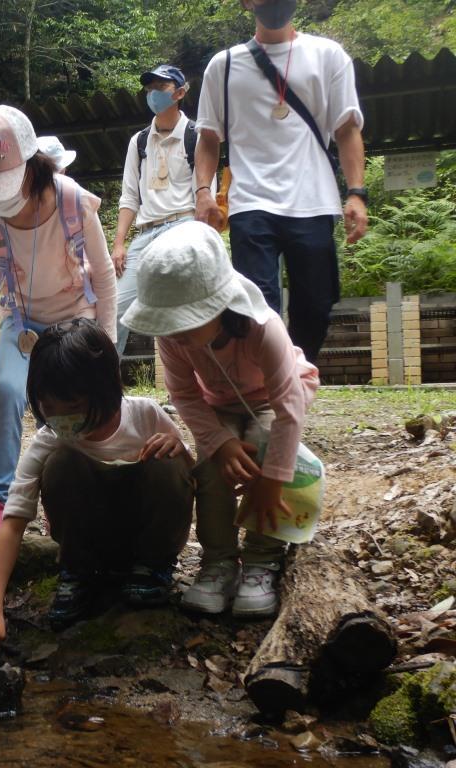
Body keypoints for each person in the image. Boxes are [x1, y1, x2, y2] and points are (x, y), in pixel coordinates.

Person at [122, 221, 319, 618]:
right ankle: (219, 561)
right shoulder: (173, 339)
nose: (174, 333)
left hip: (271, 399)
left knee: (263, 445)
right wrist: (220, 442)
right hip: (220, 403)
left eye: (185, 320)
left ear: (219, 305)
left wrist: (272, 478)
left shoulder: (263, 328)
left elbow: (288, 406)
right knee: (213, 465)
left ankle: (263, 559)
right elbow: (186, 396)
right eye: (168, 323)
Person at [0, 319, 195, 664]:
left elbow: (188, 479)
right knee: (61, 463)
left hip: (145, 539)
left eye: (72, 406)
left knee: (168, 457)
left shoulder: (145, 417)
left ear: (103, 391)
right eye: (49, 408)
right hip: (88, 547)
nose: (61, 418)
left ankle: (152, 569)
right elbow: (13, 522)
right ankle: (77, 573)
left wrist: (178, 447)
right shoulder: (51, 439)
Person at [0, 105, 118, 549]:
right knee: (7, 391)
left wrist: (108, 346)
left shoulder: (73, 201)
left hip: (76, 319)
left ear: (32, 166)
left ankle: (72, 494)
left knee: (73, 406)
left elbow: (103, 277)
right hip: (22, 322)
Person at [193, 0, 368, 364]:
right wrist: (203, 192)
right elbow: (208, 139)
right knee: (256, 308)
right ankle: (271, 391)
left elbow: (347, 129)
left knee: (316, 306)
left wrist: (356, 193)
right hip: (251, 203)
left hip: (313, 201)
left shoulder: (328, 55)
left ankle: (295, 376)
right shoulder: (223, 66)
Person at [111, 64, 204, 357]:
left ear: (179, 93)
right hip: (146, 233)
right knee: (114, 310)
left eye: (160, 89)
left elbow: (205, 194)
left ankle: (195, 390)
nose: (153, 95)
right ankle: (102, 390)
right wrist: (118, 243)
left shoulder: (196, 135)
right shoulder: (138, 141)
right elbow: (129, 196)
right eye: (149, 89)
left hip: (183, 225)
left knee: (184, 313)